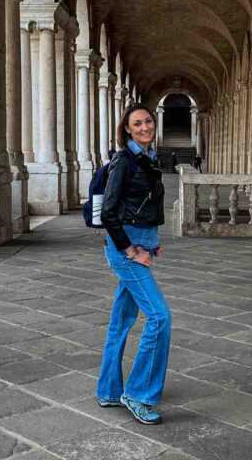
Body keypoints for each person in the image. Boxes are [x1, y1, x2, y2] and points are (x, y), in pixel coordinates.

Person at [95, 103, 170, 425]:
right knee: (159, 317)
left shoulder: (148, 157)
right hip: (126, 249)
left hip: (142, 243)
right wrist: (130, 250)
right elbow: (109, 212)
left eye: (148, 121)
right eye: (137, 124)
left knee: (121, 320)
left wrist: (151, 240)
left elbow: (144, 204)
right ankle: (138, 394)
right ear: (126, 128)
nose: (144, 127)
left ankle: (109, 390)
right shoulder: (124, 160)